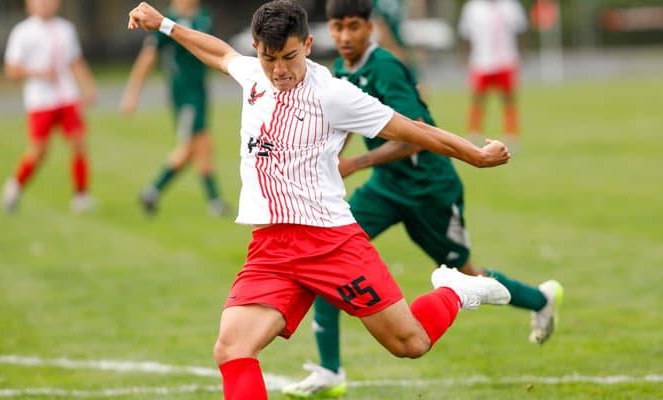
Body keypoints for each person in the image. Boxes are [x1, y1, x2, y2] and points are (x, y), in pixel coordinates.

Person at [128, 2, 512, 399]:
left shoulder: (334, 95)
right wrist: (165, 25)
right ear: (257, 49)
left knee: (409, 344)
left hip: (331, 243)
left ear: (308, 45)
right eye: (268, 58)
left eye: (289, 57)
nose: (279, 70)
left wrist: (477, 156)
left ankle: (456, 289)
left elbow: (414, 130)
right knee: (232, 347)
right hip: (271, 249)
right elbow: (221, 53)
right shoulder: (253, 76)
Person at [281, 1, 563, 397]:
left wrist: (355, 162)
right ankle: (330, 372)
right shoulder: (343, 71)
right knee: (328, 259)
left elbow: (415, 133)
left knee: (467, 274)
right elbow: (345, 120)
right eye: (338, 27)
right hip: (385, 188)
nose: (345, 37)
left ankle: (540, 298)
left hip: (429, 188)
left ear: (370, 26)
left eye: (353, 27)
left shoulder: (386, 68)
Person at [121, 0, 230, 217]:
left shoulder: (204, 17)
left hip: (200, 92)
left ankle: (210, 200)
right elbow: (147, 58)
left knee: (202, 144)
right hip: (184, 95)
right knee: (193, 145)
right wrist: (132, 94)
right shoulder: (163, 21)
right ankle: (155, 191)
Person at [1, 0, 97, 214]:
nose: (45, 4)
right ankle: (15, 186)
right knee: (39, 151)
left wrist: (88, 86)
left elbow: (75, 61)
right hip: (40, 100)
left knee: (79, 143)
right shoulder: (23, 32)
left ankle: (81, 196)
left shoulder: (66, 29)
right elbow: (11, 70)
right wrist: (38, 72)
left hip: (67, 97)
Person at [458, 0, 527, 146]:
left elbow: (520, 32)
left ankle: (511, 134)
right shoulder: (472, 7)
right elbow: (465, 36)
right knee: (478, 99)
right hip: (481, 61)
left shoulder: (511, 6)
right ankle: (474, 133)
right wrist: (465, 58)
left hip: (506, 60)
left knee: (508, 99)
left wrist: (521, 55)